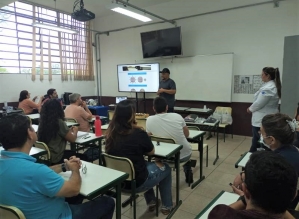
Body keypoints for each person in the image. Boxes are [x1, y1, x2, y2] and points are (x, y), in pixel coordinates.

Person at [0, 114, 115, 219]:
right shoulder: (36, 172)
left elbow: (41, 173)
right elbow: (74, 189)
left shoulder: (10, 164)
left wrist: (64, 166)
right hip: (60, 215)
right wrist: (75, 170)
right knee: (107, 202)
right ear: (30, 133)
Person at [105, 99, 173, 215]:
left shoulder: (111, 133)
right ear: (132, 115)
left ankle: (152, 201)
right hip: (136, 183)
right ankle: (167, 206)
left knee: (143, 165)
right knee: (166, 168)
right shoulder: (138, 133)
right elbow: (151, 152)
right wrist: (143, 135)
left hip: (118, 182)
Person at [232, 113, 299, 210]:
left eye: (262, 133)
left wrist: (245, 197)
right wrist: (243, 173)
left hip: (275, 208)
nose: (259, 134)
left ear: (272, 140)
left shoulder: (275, 165)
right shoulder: (294, 150)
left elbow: (262, 201)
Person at [208, 151, 298, 219]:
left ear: (245, 190)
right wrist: (278, 201)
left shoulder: (221, 215)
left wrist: (245, 199)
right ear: (294, 195)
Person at [146, 96, 194, 183]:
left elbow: (149, 137)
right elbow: (187, 135)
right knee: (185, 147)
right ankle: (188, 171)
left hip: (163, 156)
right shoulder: (177, 116)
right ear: (167, 107)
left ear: (153, 108)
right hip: (183, 155)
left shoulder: (149, 120)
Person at [38, 99, 87, 165]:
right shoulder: (59, 122)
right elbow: (72, 139)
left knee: (72, 153)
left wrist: (67, 130)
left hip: (46, 156)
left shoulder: (42, 123)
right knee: (85, 158)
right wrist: (75, 131)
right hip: (57, 157)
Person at [247, 67, 282, 152]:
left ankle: (253, 157)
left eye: (262, 74)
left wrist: (250, 109)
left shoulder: (269, 88)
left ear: (268, 76)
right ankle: (252, 155)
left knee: (261, 141)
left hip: (262, 119)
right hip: (264, 117)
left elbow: (260, 103)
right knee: (257, 140)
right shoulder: (269, 86)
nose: (261, 76)